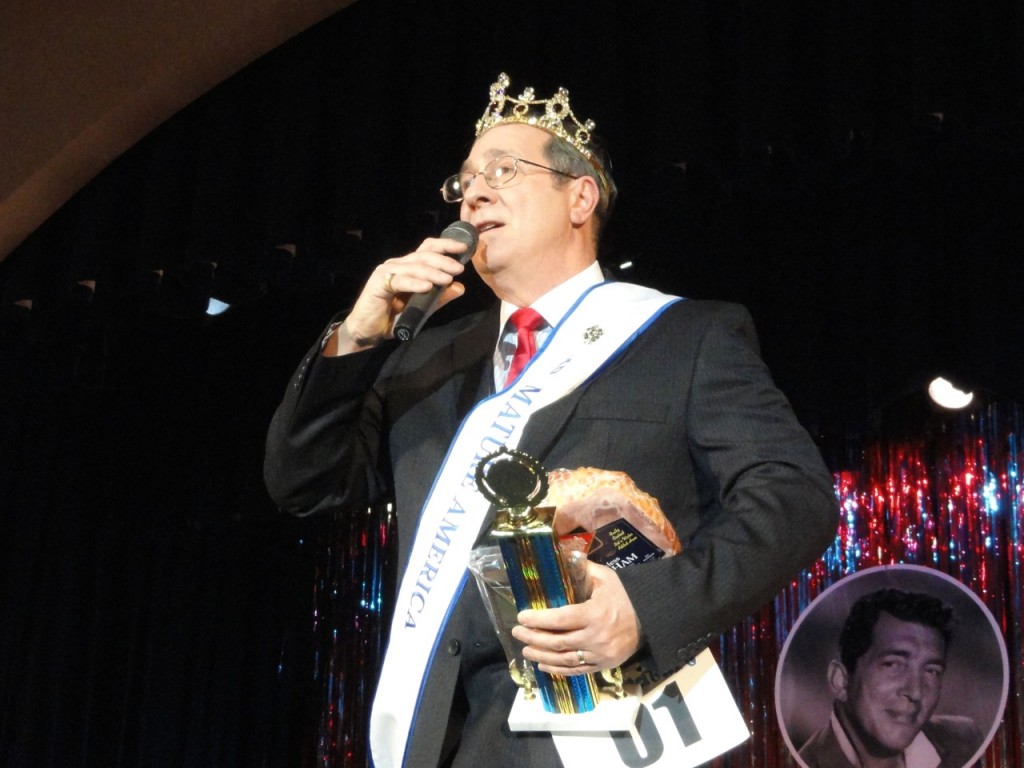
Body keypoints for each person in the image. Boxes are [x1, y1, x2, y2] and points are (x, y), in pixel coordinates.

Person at [264, 72, 839, 768]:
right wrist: (358, 334)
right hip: (448, 747)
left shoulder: (680, 338)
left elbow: (793, 496)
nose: (474, 192)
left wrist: (647, 607)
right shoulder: (427, 361)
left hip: (610, 735)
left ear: (581, 197)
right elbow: (304, 482)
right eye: (465, 180)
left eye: (503, 171)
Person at [798, 588, 982, 768]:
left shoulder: (966, 741)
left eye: (931, 671)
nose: (916, 692)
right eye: (893, 665)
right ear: (841, 681)